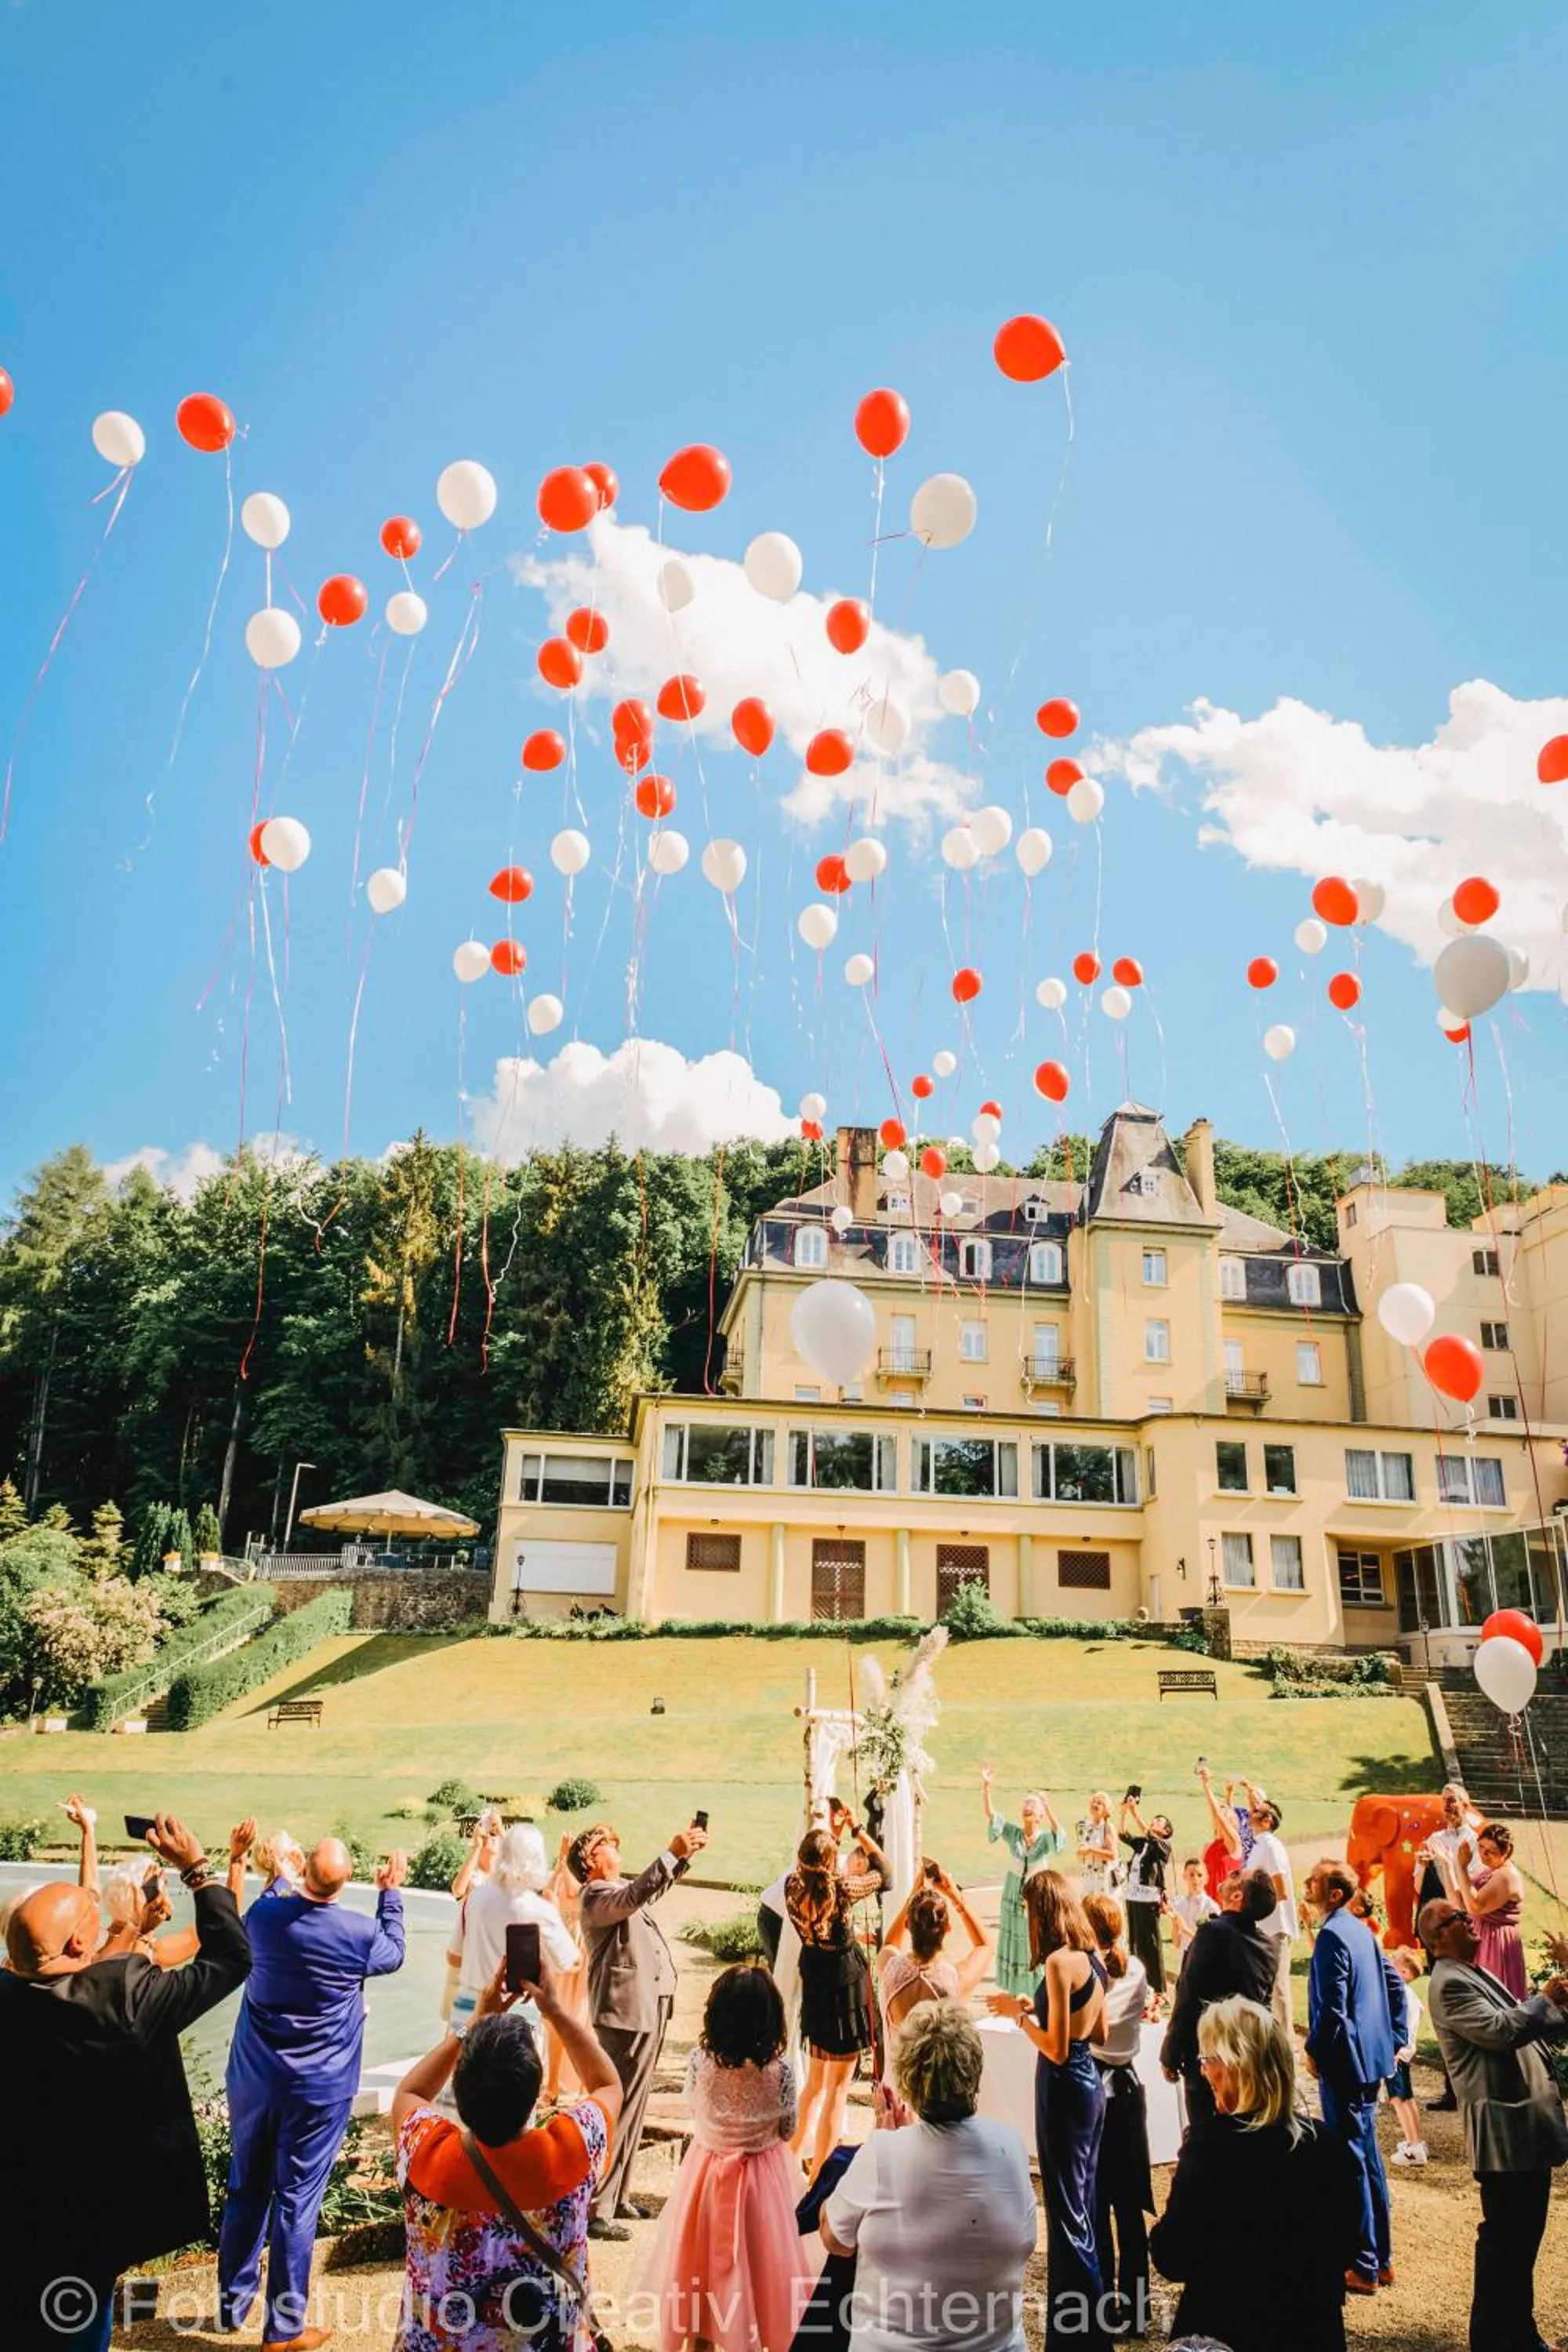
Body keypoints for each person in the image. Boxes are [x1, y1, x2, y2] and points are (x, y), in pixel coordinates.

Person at [0, 1813, 251, 2352]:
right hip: (88, 2213)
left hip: (18, 2203)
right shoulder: (125, 2003)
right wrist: (198, 1868)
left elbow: (79, 1972)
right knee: (78, 2323)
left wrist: (129, 1928)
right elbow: (232, 1958)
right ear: (76, 1948)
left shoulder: (14, 1992)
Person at [219, 1837, 408, 2347]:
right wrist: (390, 1893)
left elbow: (270, 1900)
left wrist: (281, 1873)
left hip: (255, 2078)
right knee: (296, 2203)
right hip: (318, 2088)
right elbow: (395, 1954)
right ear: (346, 1882)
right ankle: (283, 2329)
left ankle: (231, 2305)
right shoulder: (358, 1933)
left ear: (306, 1874)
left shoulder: (263, 1918)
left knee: (246, 2188)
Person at [391, 1945, 623, 2352]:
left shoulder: (426, 2152)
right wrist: (554, 2012)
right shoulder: (569, 2151)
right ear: (534, 2095)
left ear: (460, 2094)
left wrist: (472, 2024)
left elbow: (411, 2091)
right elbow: (608, 2085)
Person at [822, 1999, 1036, 2352]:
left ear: (908, 2078)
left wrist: (887, 2142)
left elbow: (834, 2238)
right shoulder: (1010, 2147)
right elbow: (1020, 2242)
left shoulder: (882, 2154)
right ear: (974, 2069)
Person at [1149, 1994, 1361, 2352]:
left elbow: (1173, 2257)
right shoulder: (1324, 2144)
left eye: (1206, 2059)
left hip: (1230, 2330)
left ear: (1235, 2065)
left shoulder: (1211, 2149)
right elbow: (1347, 2246)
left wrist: (1178, 2195)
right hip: (1311, 2328)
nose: (1202, 2071)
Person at [1417, 1895, 1568, 2352]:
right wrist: (1545, 2001)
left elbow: (1524, 2023)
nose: (1470, 1921)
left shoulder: (1472, 1972)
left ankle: (1519, 2334)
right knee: (1505, 2243)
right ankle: (1493, 2338)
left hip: (1524, 2130)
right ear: (1439, 1936)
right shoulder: (1448, 1984)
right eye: (1459, 1917)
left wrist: (1554, 2000)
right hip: (1506, 2135)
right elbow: (1502, 2031)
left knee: (1521, 2243)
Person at [641, 1962, 812, 2352]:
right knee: (762, 2276)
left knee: (698, 2275)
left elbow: (693, 2108)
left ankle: (700, 2342)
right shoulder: (780, 2072)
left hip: (706, 2176)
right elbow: (788, 2130)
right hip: (761, 2186)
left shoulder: (700, 2063)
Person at [572, 1815, 708, 2238]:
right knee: (619, 2107)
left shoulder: (615, 1893)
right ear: (591, 1860)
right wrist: (671, 1853)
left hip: (646, 2010)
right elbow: (637, 1894)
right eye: (608, 1844)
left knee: (636, 2106)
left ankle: (619, 2195)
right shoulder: (595, 1896)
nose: (617, 1848)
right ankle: (598, 2206)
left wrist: (682, 1859)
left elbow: (649, 1891)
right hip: (624, 2016)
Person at [989, 1868, 1108, 2344]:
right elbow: (1095, 2032)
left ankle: (1079, 2336)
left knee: (1065, 2213)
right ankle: (1084, 2329)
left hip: (1061, 2086)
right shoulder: (1091, 1958)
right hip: (1090, 2085)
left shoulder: (1059, 1962)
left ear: (1043, 1910)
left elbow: (1056, 2049)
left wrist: (1020, 2017)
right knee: (1083, 2204)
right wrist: (1038, 2009)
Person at [1303, 1858, 1406, 2298]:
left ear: (1335, 1894)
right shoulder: (1362, 1931)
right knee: (1369, 2158)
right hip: (1371, 2060)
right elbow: (1396, 1986)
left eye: (1314, 1882)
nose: (1306, 1886)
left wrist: (1312, 2051)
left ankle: (1363, 2264)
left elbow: (1333, 2010)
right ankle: (1381, 2260)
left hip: (1345, 2067)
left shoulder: (1331, 1936)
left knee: (1351, 2161)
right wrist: (1393, 2037)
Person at [786, 1807, 887, 2181]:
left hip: (815, 1980)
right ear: (832, 1864)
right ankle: (820, 2176)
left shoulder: (793, 1888)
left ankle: (788, 2161)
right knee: (838, 2090)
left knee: (814, 2085)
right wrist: (859, 1830)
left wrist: (833, 1838)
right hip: (845, 1987)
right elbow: (884, 1871)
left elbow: (818, 1873)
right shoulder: (843, 1889)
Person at [1083, 1892, 1154, 2339]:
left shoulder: (1090, 1975)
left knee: (1099, 2203)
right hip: (1129, 2090)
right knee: (1129, 2209)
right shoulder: (1140, 1969)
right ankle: (1136, 2312)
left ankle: (1106, 2309)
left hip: (1099, 2088)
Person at [1160, 1869, 1279, 2128]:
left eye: (1236, 1874)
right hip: (1249, 2055)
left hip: (1210, 2057)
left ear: (1237, 1896)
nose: (1226, 1876)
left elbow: (1189, 1995)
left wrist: (1171, 2050)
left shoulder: (1212, 1933)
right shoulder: (1269, 1946)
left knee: (1207, 2134)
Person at [456, 1821, 578, 2039]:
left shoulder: (476, 1898)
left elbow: (454, 1956)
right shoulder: (539, 1908)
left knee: (465, 2068)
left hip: (470, 2005)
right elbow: (571, 1963)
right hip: (518, 2010)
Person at [980, 1764, 1064, 1998]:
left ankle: (1037, 1988)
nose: (1028, 1808)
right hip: (1014, 1892)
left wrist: (1048, 1809)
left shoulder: (1045, 1838)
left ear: (1039, 1816)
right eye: (1025, 1806)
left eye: (1032, 1807)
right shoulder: (1014, 1834)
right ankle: (1016, 1989)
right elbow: (991, 1816)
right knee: (1014, 1936)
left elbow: (1060, 1836)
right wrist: (986, 1786)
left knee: (1033, 1937)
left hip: (1036, 1894)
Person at [877, 1860, 990, 2032]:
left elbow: (890, 1943)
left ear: (908, 1925)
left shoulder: (890, 1970)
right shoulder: (954, 1980)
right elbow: (984, 1946)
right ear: (947, 1928)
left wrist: (912, 1897)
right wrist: (956, 1899)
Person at [1241, 1794, 1297, 2035]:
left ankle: (1285, 2043)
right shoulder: (1261, 1846)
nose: (1251, 1812)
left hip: (1275, 1926)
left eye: (1257, 1811)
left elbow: (1281, 1889)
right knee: (1267, 1986)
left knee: (1279, 1988)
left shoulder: (1270, 1846)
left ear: (1267, 1821)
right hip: (1265, 1927)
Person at [1454, 1820, 1528, 1998]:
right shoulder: (1490, 1870)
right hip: (1484, 1936)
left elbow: (1475, 1906)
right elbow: (1464, 1896)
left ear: (1506, 1853)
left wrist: (1462, 1868)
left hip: (1496, 1942)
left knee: (1494, 1994)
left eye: (1491, 1852)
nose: (1483, 1855)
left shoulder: (1506, 1876)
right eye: (1481, 1847)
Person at [544, 1828, 590, 2103]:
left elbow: (573, 1893)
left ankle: (584, 2087)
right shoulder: (562, 1872)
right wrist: (560, 1862)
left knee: (581, 2020)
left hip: (579, 1950)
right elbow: (548, 1892)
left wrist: (564, 1862)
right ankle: (552, 2086)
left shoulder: (585, 1880)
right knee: (554, 2022)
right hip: (560, 1950)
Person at [442, 1807, 500, 2024]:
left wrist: (501, 1834)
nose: (492, 1838)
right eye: (490, 1834)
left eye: (495, 1835)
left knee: (488, 2025)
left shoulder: (504, 1874)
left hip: (493, 1962)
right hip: (466, 1962)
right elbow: (458, 1889)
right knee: (460, 2028)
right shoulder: (474, 1873)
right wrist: (476, 1848)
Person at [1117, 1795, 1173, 2000]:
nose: (1155, 1821)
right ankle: (1138, 1982)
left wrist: (1134, 1812)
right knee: (1135, 1940)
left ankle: (1158, 1988)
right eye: (1155, 1819)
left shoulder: (1164, 1847)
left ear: (1166, 1832)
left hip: (1148, 1899)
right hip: (1133, 1896)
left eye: (1160, 1821)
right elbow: (1123, 1834)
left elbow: (1149, 1835)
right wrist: (1124, 1812)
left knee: (1151, 1942)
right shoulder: (1142, 1844)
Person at [1385, 1947, 1428, 2169]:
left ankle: (1414, 2148)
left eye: (1394, 1960)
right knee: (1407, 2098)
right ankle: (1416, 2142)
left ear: (1403, 1973)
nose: (1389, 1960)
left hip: (1397, 2055)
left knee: (1398, 2099)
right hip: (1405, 2054)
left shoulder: (1399, 1994)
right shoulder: (1410, 1995)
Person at [1169, 1857, 1218, 1973]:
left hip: (1205, 1964)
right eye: (1191, 1875)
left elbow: (1211, 1943)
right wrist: (1176, 1924)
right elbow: (1177, 1943)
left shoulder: (1211, 1908)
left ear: (1206, 1879)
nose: (1195, 1879)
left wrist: (1185, 1928)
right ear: (1184, 1877)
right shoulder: (1180, 1905)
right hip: (1184, 1964)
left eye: (1200, 1875)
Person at [1076, 1791, 1116, 1893]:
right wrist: (1081, 1852)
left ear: (1106, 1809)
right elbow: (1079, 1854)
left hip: (1102, 1878)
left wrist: (1090, 1849)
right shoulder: (1085, 1827)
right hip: (1087, 1877)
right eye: (1093, 1802)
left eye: (1099, 1803)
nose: (1095, 1805)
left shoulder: (1108, 1827)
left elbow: (1111, 1855)